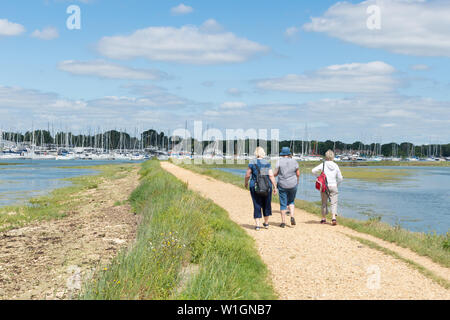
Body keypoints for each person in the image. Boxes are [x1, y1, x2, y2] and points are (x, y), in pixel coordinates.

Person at [245, 147, 277, 231]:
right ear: (263, 153)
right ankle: (266, 223)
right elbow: (270, 175)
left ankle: (257, 225)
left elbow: (248, 175)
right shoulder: (266, 163)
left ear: (256, 153)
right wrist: (275, 186)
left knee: (257, 203)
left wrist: (246, 183)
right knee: (266, 203)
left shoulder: (252, 163)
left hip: (255, 186)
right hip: (266, 186)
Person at [312, 150, 343, 226]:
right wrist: (336, 184)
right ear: (333, 156)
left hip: (324, 186)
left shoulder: (323, 164)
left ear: (326, 156)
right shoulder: (336, 165)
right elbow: (340, 178)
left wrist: (318, 177)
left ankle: (323, 219)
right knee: (334, 203)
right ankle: (333, 218)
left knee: (324, 203)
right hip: (333, 186)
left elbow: (313, 170)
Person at [274, 147, 300, 228]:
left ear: (282, 154)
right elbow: (298, 174)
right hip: (293, 184)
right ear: (289, 153)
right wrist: (297, 181)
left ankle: (283, 222)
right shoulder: (294, 161)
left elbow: (275, 173)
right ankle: (292, 216)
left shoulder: (279, 161)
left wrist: (270, 174)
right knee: (291, 201)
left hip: (282, 184)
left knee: (283, 203)